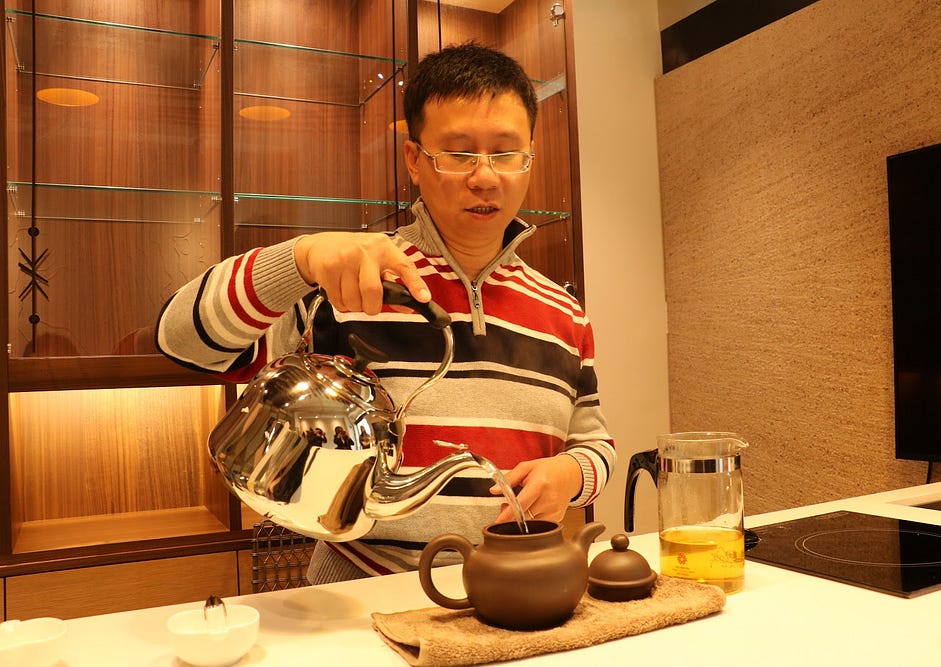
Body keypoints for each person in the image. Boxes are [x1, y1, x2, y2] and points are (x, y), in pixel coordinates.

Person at [156, 42, 616, 583]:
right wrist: (301, 259)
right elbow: (182, 341)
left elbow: (596, 443)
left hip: (515, 583)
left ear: (529, 156)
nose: (486, 177)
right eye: (458, 153)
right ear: (414, 160)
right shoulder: (352, 278)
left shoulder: (562, 309)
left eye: (505, 153)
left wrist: (572, 472)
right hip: (360, 587)